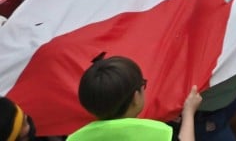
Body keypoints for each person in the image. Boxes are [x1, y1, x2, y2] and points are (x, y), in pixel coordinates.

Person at [67, 55, 201, 141]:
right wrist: (188, 113)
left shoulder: (75, 138)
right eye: (143, 84)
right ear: (136, 97)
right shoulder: (159, 133)